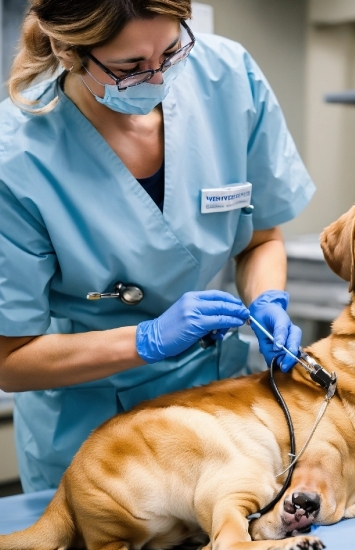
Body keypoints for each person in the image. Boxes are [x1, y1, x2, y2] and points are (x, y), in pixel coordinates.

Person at [0, 0, 315, 492]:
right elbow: (10, 359)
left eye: (171, 51)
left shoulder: (227, 77)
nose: (157, 77)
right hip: (92, 427)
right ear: (69, 52)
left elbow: (260, 239)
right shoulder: (16, 158)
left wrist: (267, 300)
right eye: (128, 67)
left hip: (220, 398)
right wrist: (147, 339)